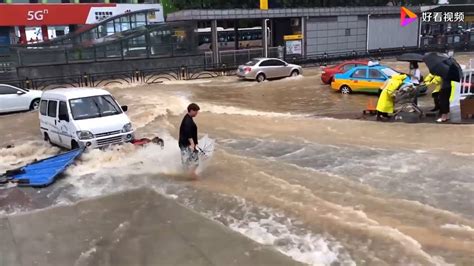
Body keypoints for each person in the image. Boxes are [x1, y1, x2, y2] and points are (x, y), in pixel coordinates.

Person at [179, 103, 200, 179]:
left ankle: (187, 176)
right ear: (191, 110)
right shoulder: (187, 121)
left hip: (184, 144)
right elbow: (188, 133)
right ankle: (191, 176)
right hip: (186, 144)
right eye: (196, 111)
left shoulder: (188, 118)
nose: (197, 113)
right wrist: (192, 144)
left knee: (188, 161)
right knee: (195, 162)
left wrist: (194, 143)